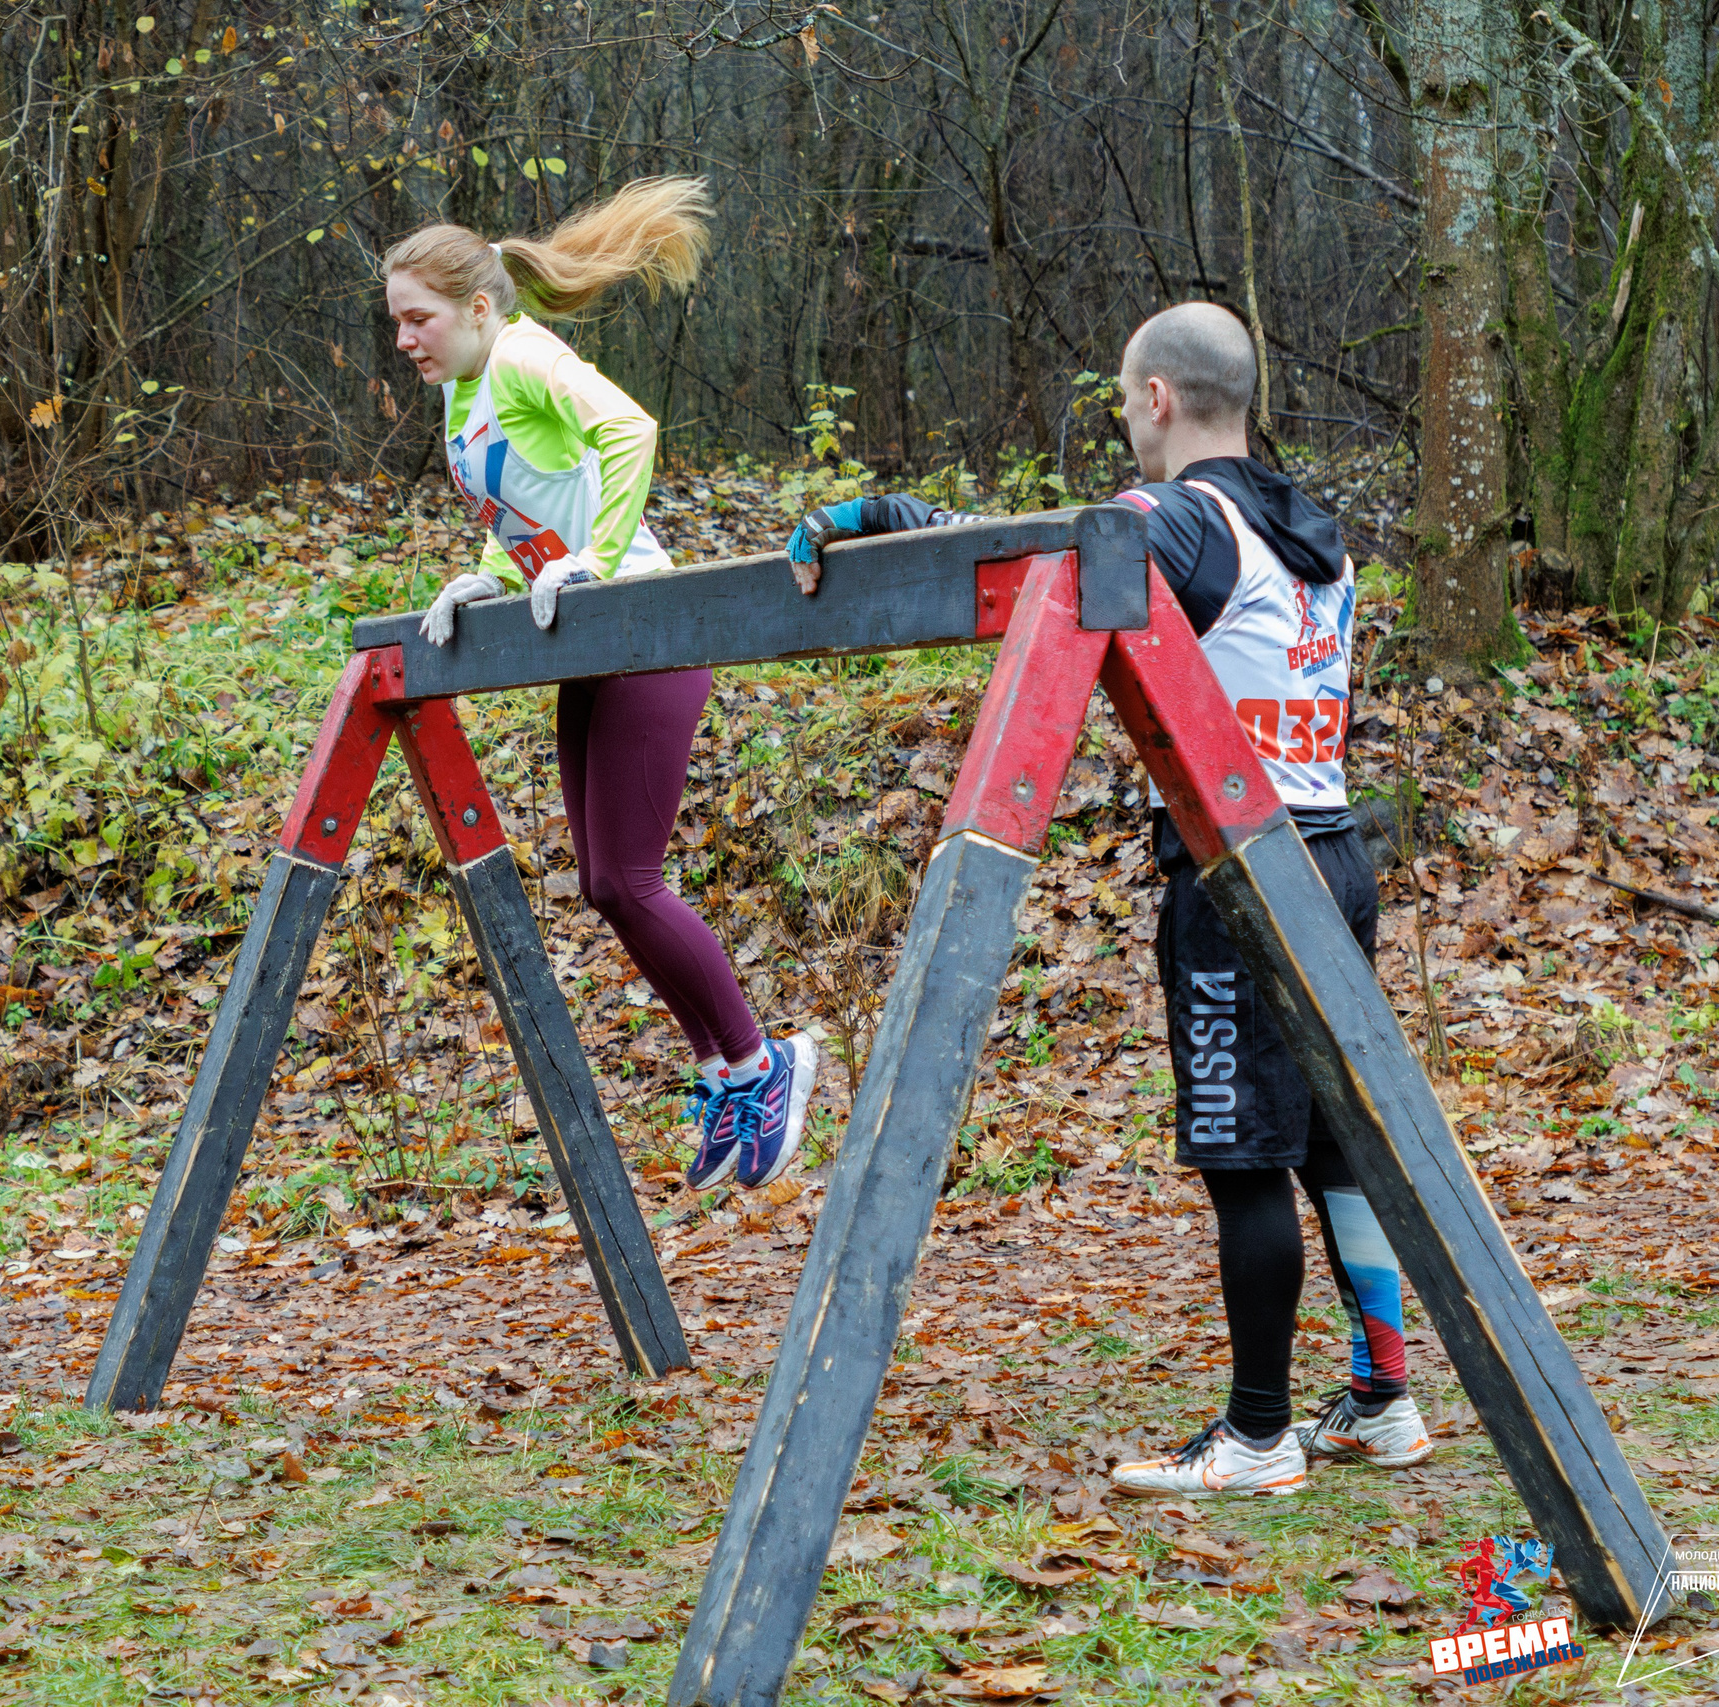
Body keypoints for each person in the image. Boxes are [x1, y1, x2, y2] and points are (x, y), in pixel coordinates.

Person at [788, 302, 1430, 1496]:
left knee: (1246, 1157)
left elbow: (1050, 569)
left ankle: (1256, 1437)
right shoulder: (1313, 530)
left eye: (1125, 402)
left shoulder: (1172, 517)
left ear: (1155, 399)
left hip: (1237, 869)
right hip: (1333, 852)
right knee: (1337, 1146)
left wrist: (884, 523)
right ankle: (1382, 1398)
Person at [384, 179, 817, 1193]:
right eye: (395, 321)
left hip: (641, 624)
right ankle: (723, 1070)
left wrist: (599, 558)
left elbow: (630, 434)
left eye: (419, 318)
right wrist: (486, 579)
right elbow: (529, 506)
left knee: (628, 881)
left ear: (480, 309)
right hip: (585, 632)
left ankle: (765, 1063)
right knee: (604, 886)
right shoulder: (463, 392)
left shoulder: (527, 355)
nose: (403, 339)